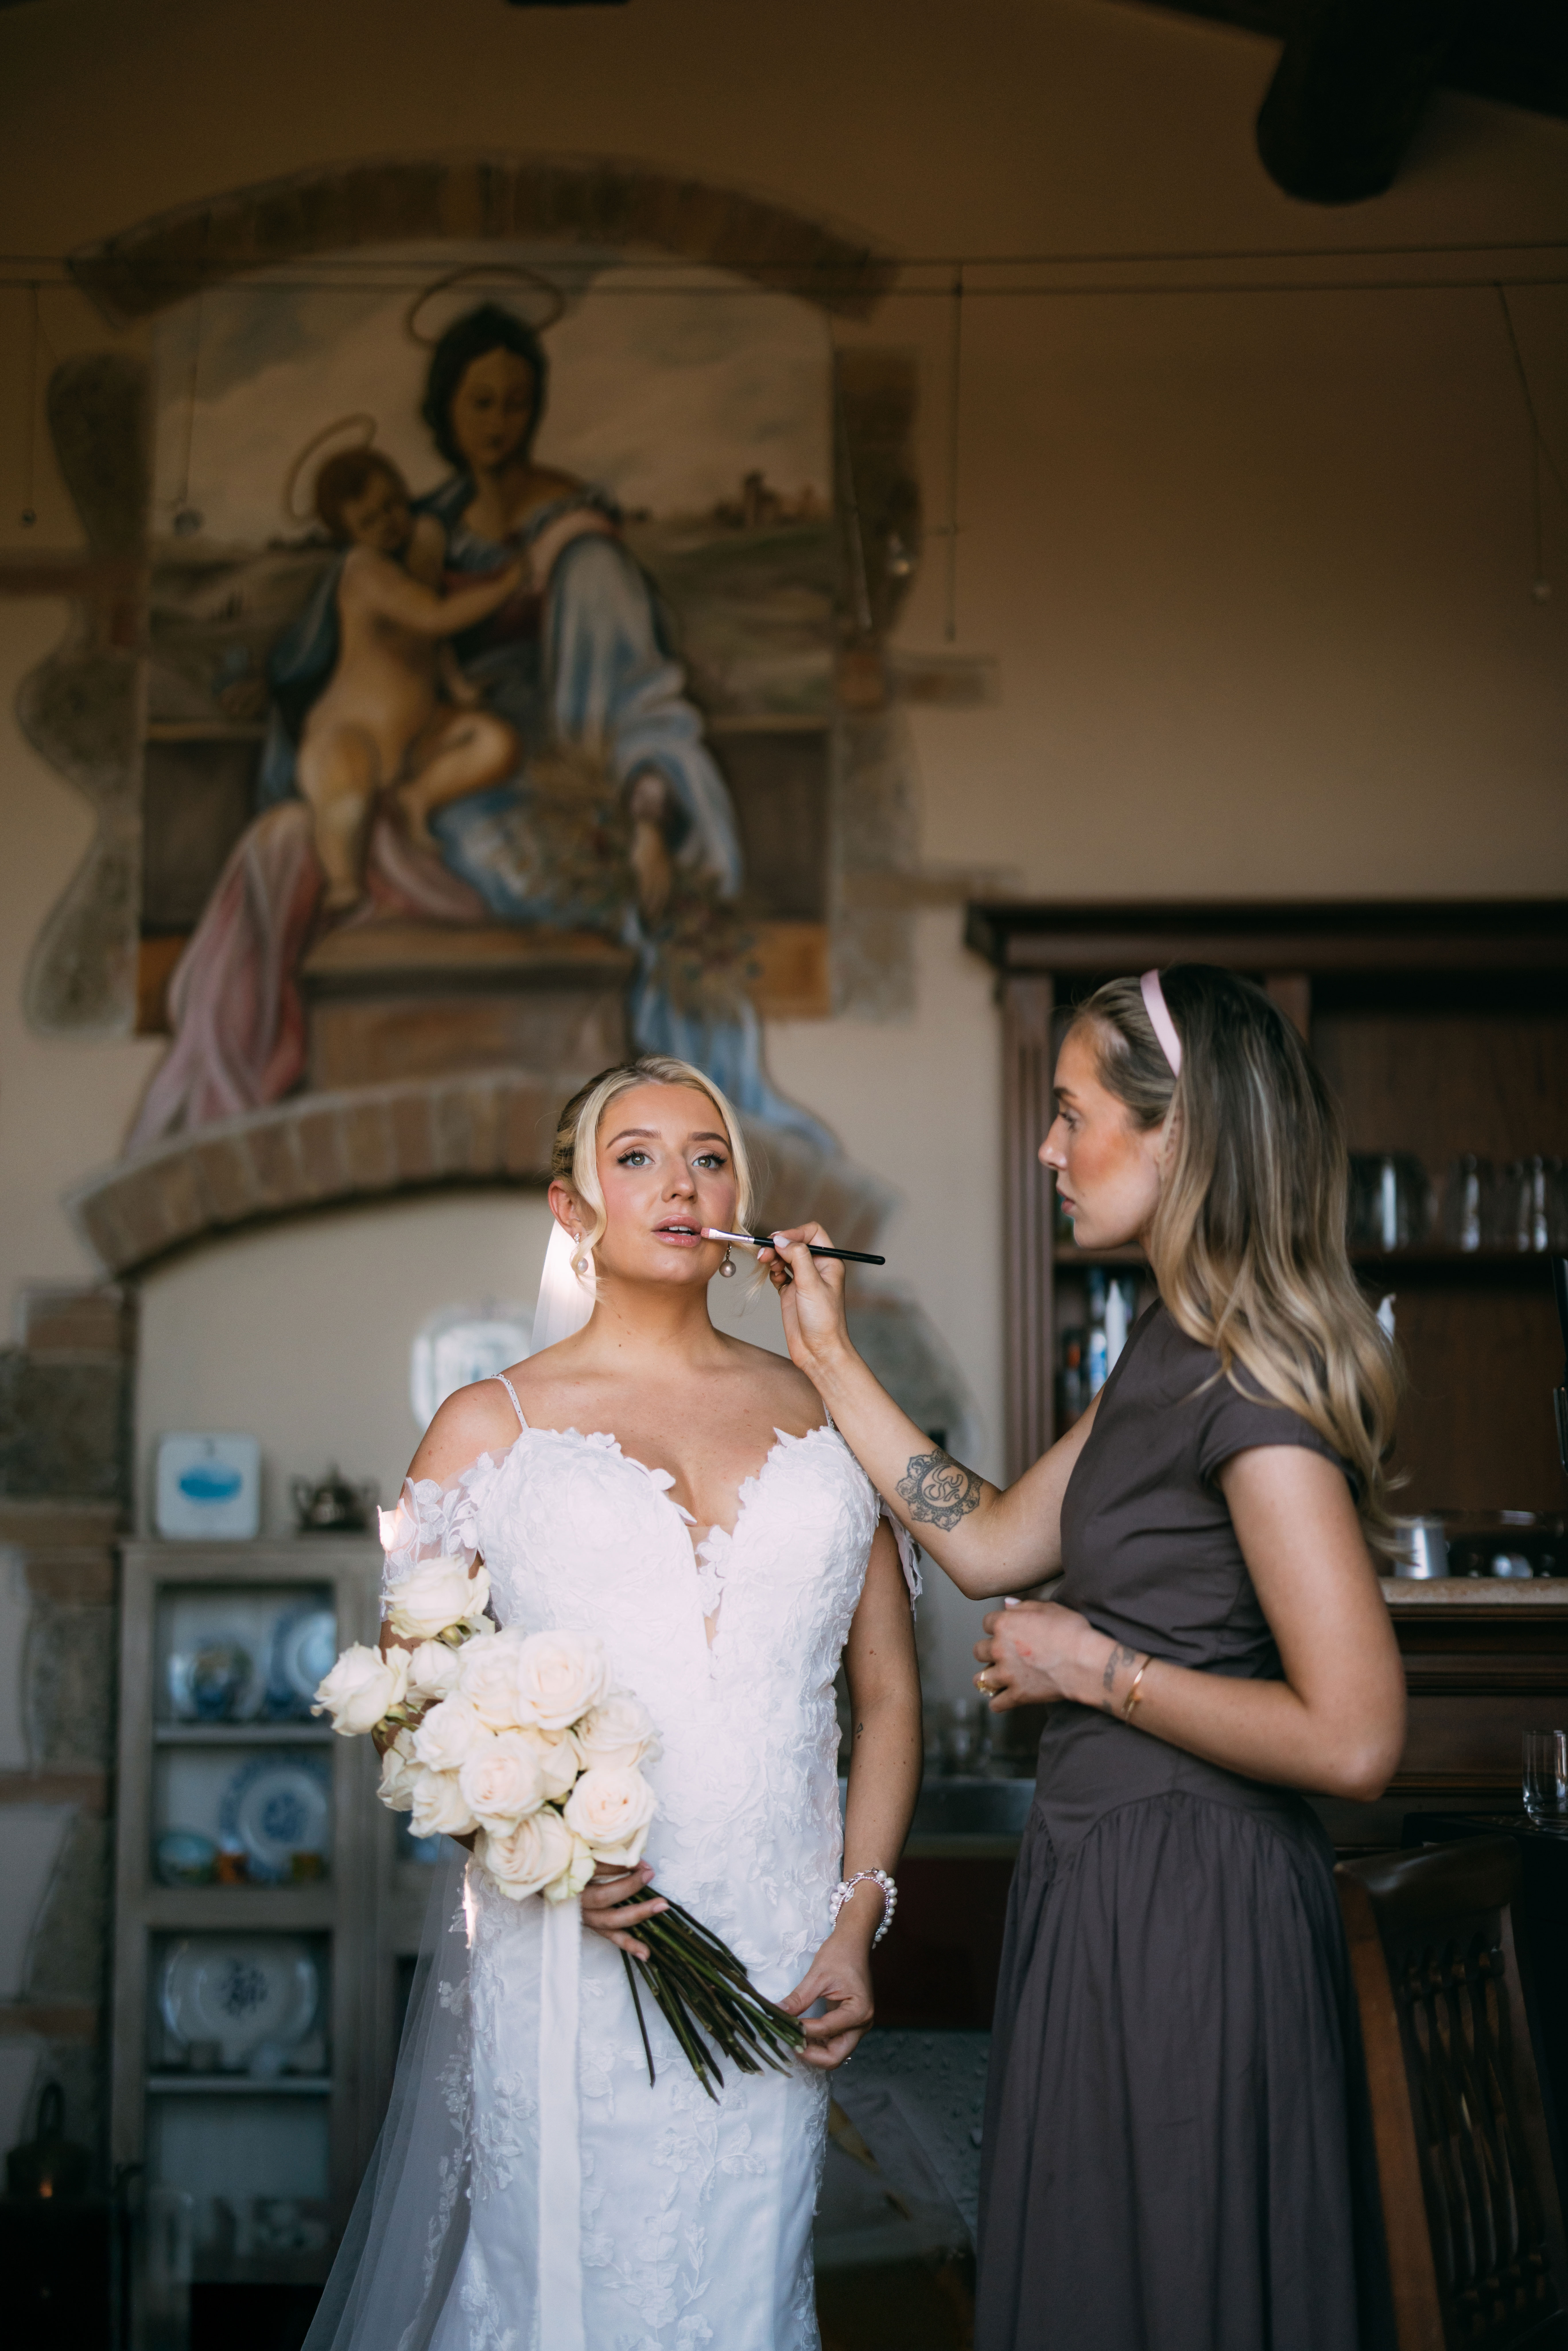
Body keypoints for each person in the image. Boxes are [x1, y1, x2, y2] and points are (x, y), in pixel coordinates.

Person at [761, 966, 1405, 2351]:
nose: (1048, 1150)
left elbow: (1356, 1739)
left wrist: (1093, 1668)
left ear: (1180, 1137)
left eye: (1070, 1113)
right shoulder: (1162, 1354)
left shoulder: (1251, 1382)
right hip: (1112, 1888)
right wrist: (823, 1353)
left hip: (1195, 1915)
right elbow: (987, 1538)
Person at [305, 1054, 921, 2351]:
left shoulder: (830, 1410)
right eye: (634, 1155)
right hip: (578, 1950)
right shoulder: (490, 1424)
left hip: (779, 1951)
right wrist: (538, 1855)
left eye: (708, 1156)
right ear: (572, 1210)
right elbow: (414, 1707)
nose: (681, 1180)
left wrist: (855, 1922)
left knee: (746, 2293)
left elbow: (887, 1694)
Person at [293, 448, 522, 909]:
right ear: (349, 536)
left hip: (417, 736)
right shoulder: (365, 571)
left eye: (393, 505)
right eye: (369, 521)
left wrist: (457, 687)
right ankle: (343, 882)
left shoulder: (418, 551)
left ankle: (417, 796)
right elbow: (434, 619)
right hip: (352, 735)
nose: (389, 523)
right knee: (345, 792)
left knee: (496, 743)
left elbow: (428, 645)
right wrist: (506, 584)